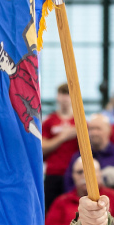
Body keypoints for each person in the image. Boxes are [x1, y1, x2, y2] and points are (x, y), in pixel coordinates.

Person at [62, 114, 114, 194]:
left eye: (98, 129)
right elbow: (69, 185)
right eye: (91, 129)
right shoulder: (78, 157)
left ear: (109, 130)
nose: (94, 133)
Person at [40, 83, 79, 212]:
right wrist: (63, 137)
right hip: (54, 173)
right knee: (50, 210)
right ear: (57, 97)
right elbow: (43, 147)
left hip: (74, 175)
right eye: (62, 94)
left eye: (67, 94)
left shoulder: (80, 121)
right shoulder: (50, 121)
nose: (65, 98)